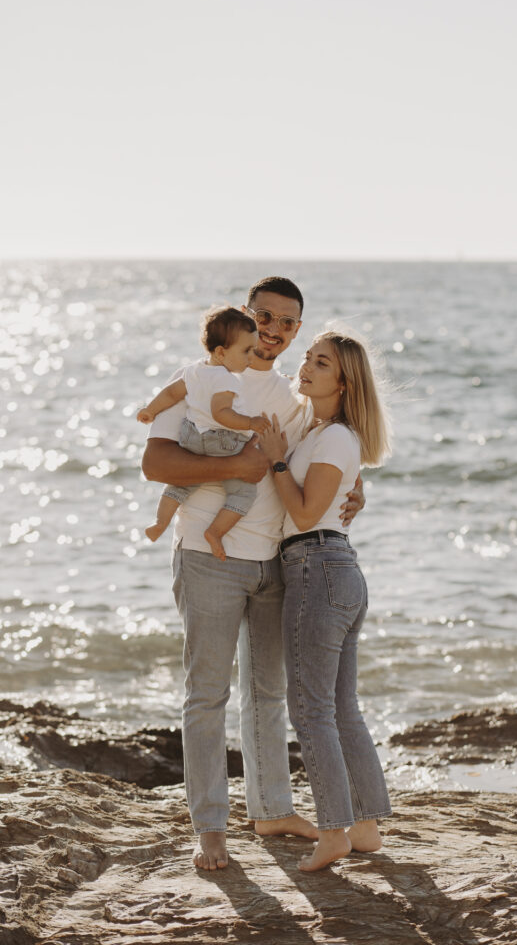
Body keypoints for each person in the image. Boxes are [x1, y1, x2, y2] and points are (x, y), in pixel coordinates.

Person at [141, 277, 364, 871]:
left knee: (269, 694)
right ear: (246, 315)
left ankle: (269, 809)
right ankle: (210, 828)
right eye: (264, 316)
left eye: (288, 322)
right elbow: (155, 462)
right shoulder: (202, 376)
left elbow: (320, 460)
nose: (274, 329)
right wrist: (233, 462)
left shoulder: (293, 401)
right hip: (208, 559)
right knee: (207, 696)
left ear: (295, 332)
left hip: (276, 565)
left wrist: (354, 486)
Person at [258, 330, 392, 872]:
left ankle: (333, 830)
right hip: (333, 568)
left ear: (344, 381)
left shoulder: (335, 437)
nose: (305, 368)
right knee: (339, 707)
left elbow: (308, 512)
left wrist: (276, 463)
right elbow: (331, 500)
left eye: (320, 363)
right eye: (308, 358)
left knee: (312, 710)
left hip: (317, 566)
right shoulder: (321, 434)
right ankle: (364, 826)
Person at [137, 306, 269, 560]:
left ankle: (159, 524)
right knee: (244, 493)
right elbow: (221, 413)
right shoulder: (227, 378)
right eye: (246, 351)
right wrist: (250, 423)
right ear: (221, 352)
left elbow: (171, 394)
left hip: (191, 437)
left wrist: (150, 411)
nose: (251, 357)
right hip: (221, 440)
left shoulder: (194, 370)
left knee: (181, 484)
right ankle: (215, 533)